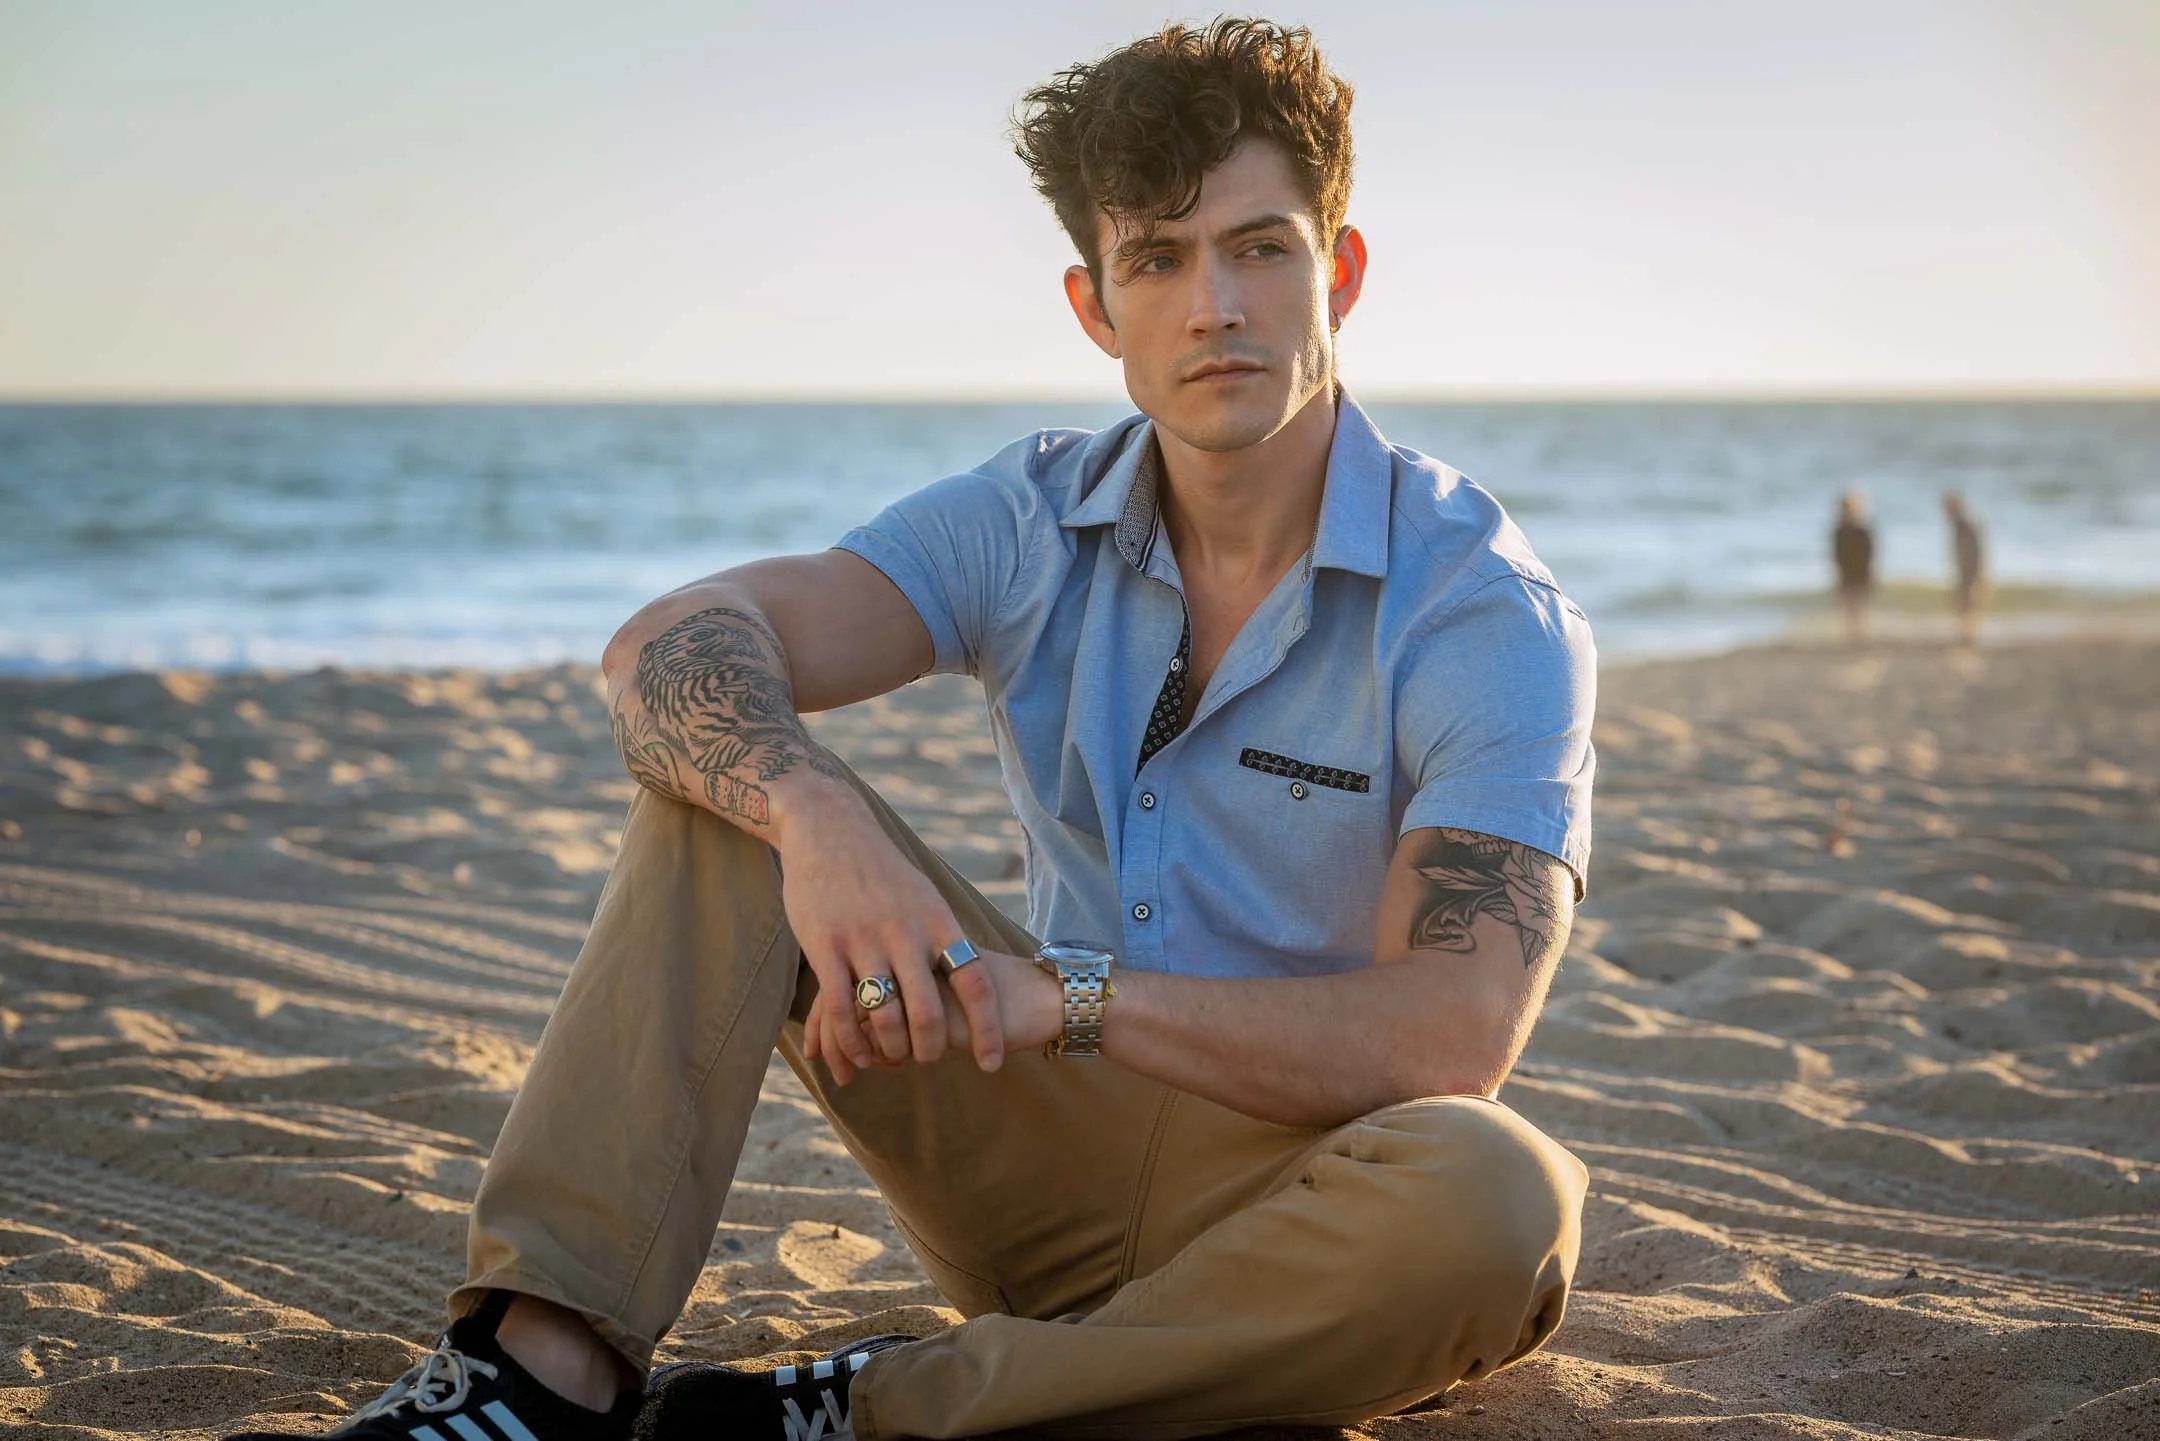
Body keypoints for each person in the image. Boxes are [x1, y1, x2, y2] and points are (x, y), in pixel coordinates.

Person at [232, 19, 1595, 1441]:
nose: (1216, 307)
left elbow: (1449, 1037)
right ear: (1093, 307)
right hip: (1035, 1170)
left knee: (1501, 1193)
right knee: (727, 781)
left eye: (1260, 247)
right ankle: (541, 1374)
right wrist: (811, 816)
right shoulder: (1028, 520)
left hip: (1318, 1218)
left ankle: (860, 1412)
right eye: (1159, 260)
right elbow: (665, 648)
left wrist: (1064, 996)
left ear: (1342, 273)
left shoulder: (1481, 610)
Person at [1943, 490, 1987, 646]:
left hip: (1971, 570)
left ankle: (1970, 637)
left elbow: (1977, 551)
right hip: (1964, 570)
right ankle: (1966, 635)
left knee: (1969, 604)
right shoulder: (1959, 526)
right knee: (1965, 604)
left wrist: (1979, 573)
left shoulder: (1966, 525)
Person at [1833, 490, 1875, 644]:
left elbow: (1870, 552)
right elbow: (1836, 553)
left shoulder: (1862, 531)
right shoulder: (1839, 531)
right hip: (1847, 570)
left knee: (1859, 602)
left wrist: (1870, 570)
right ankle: (1850, 633)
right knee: (1848, 602)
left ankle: (1859, 632)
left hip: (1859, 570)